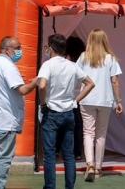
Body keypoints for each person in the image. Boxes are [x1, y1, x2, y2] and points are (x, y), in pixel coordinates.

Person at [0, 36, 37, 189]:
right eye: (16, 48)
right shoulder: (8, 66)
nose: (19, 51)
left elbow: (1, 83)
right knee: (3, 157)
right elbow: (22, 90)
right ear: (6, 49)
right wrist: (36, 82)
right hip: (4, 120)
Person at [37, 33, 94, 189]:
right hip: (68, 111)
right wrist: (76, 100)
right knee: (68, 154)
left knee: (49, 155)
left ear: (49, 48)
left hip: (51, 111)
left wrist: (43, 103)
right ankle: (69, 186)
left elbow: (42, 85)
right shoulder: (72, 65)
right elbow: (90, 83)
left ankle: (50, 186)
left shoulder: (48, 65)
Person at [76, 29, 123, 182]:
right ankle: (98, 168)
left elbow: (76, 76)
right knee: (101, 134)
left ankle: (89, 163)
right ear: (104, 40)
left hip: (87, 99)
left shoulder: (83, 57)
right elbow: (114, 81)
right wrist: (119, 101)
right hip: (105, 100)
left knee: (88, 132)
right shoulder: (110, 59)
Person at [62, 35, 86, 160]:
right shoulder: (83, 61)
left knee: (61, 124)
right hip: (80, 97)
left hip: (65, 96)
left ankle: (57, 149)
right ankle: (77, 152)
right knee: (78, 125)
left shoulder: (64, 60)